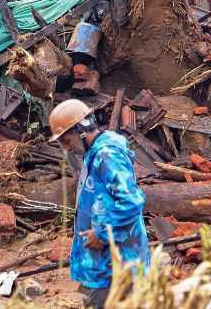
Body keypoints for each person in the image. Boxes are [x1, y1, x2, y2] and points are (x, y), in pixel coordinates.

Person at [48, 99, 148, 308]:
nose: (66, 149)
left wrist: (102, 233)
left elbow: (131, 200)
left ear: (81, 130)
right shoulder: (92, 155)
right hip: (105, 264)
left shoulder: (106, 155)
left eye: (66, 141)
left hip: (116, 265)